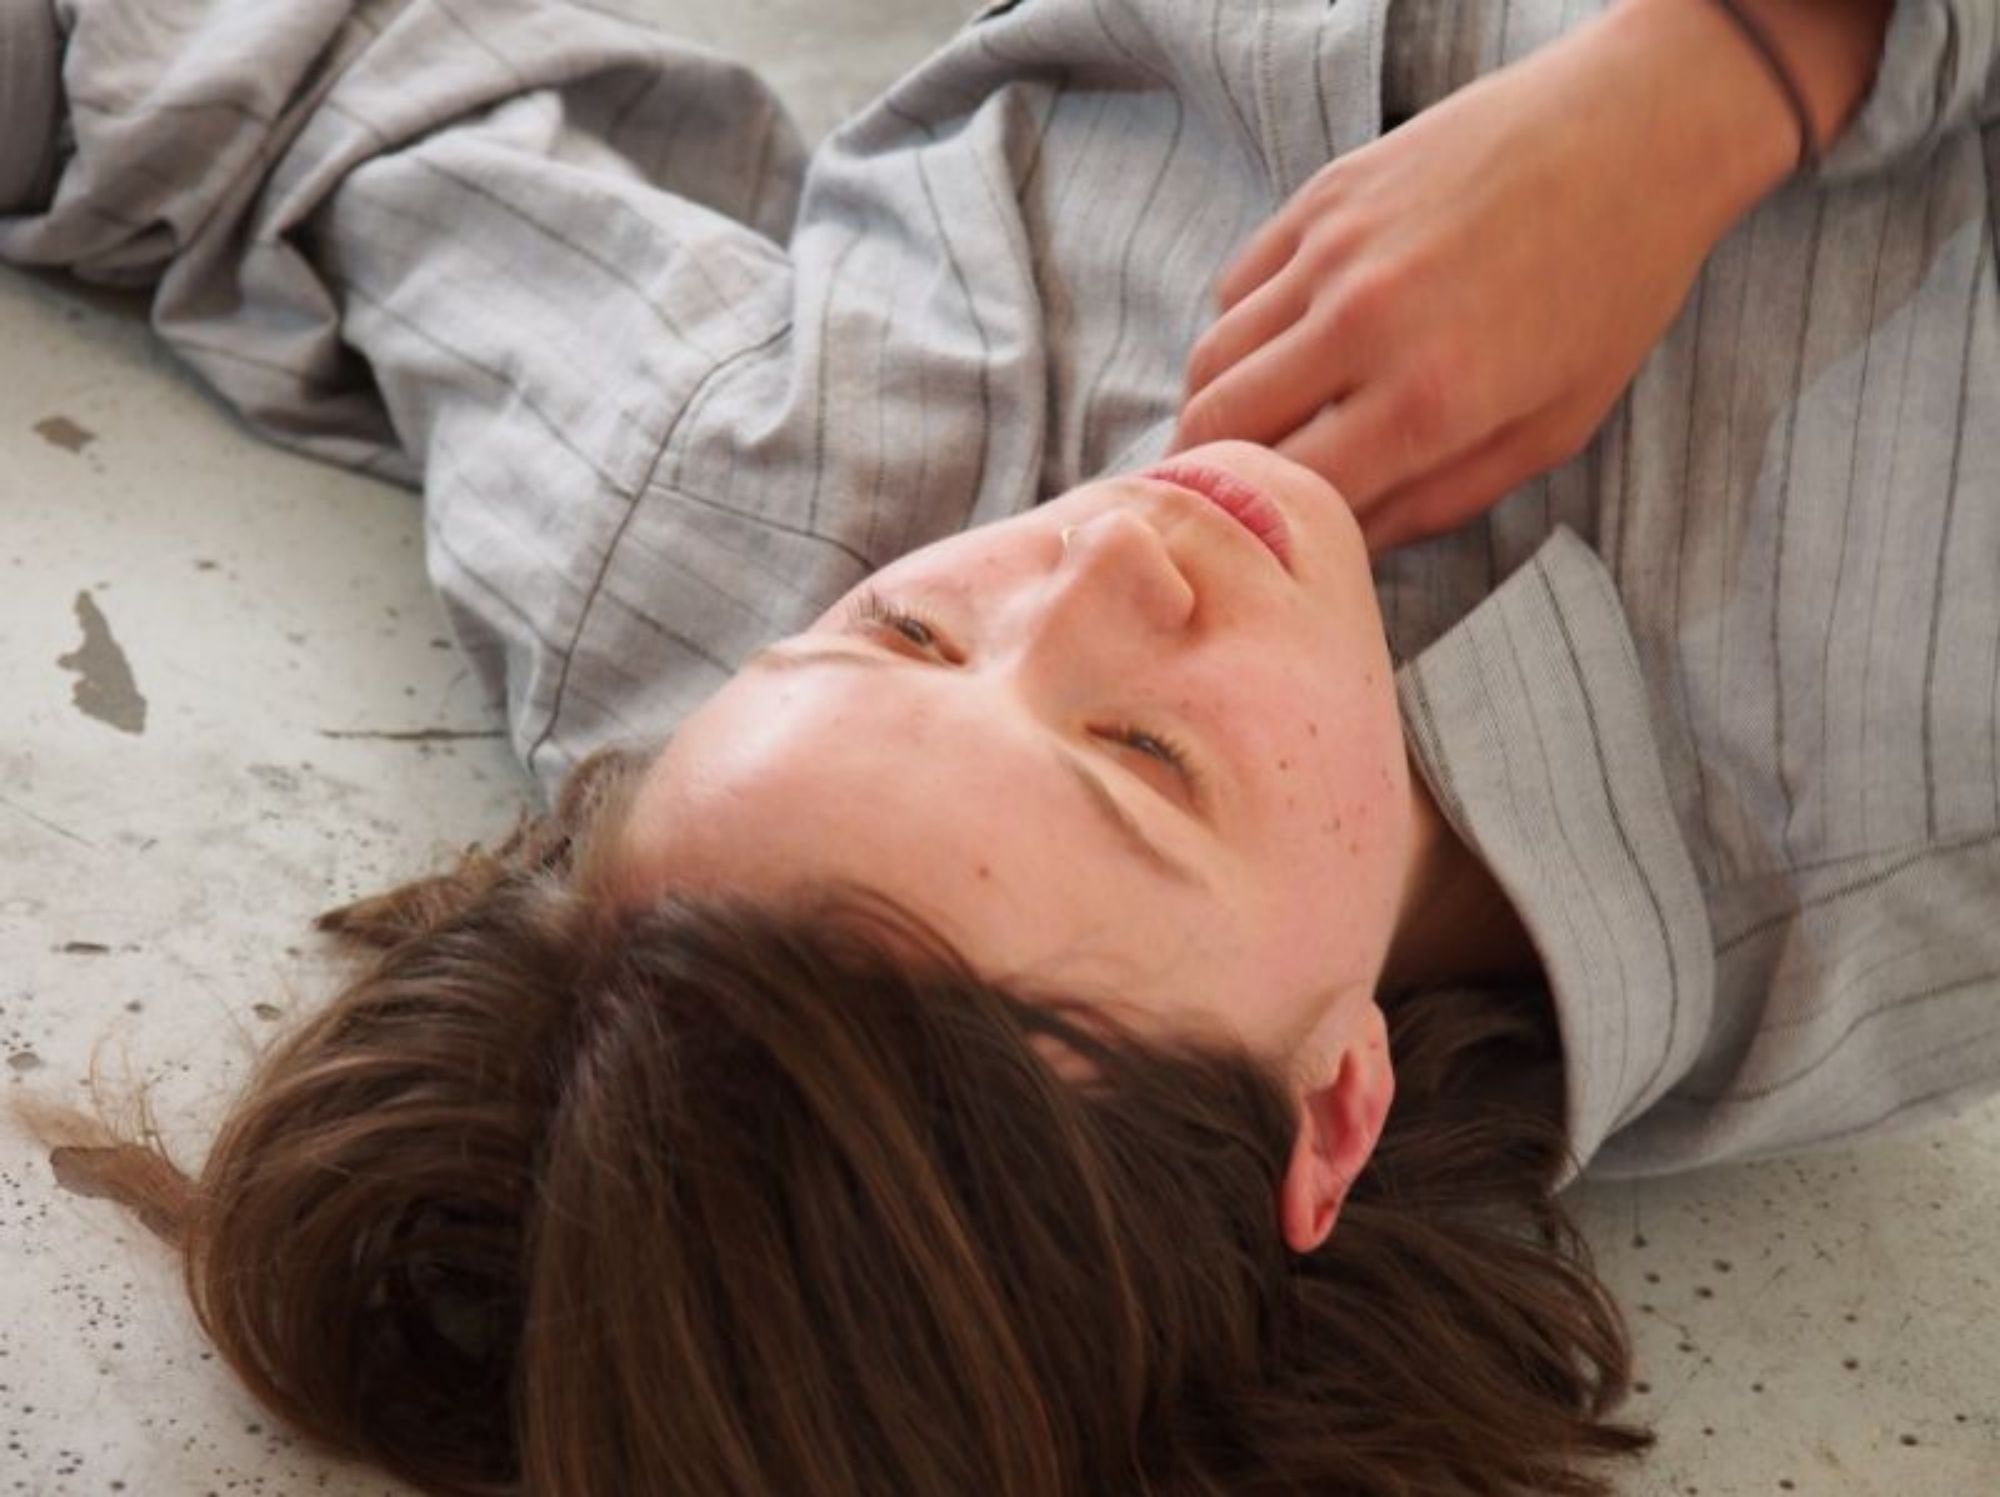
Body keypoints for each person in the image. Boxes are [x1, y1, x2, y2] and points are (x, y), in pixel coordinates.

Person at [8, 0, 1997, 1491]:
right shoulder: (1916, 767)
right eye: (1142, 757)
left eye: (906, 628)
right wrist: (1747, 65)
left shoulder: (721, 546)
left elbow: (278, 65)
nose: (1101, 554)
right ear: (1332, 1111)